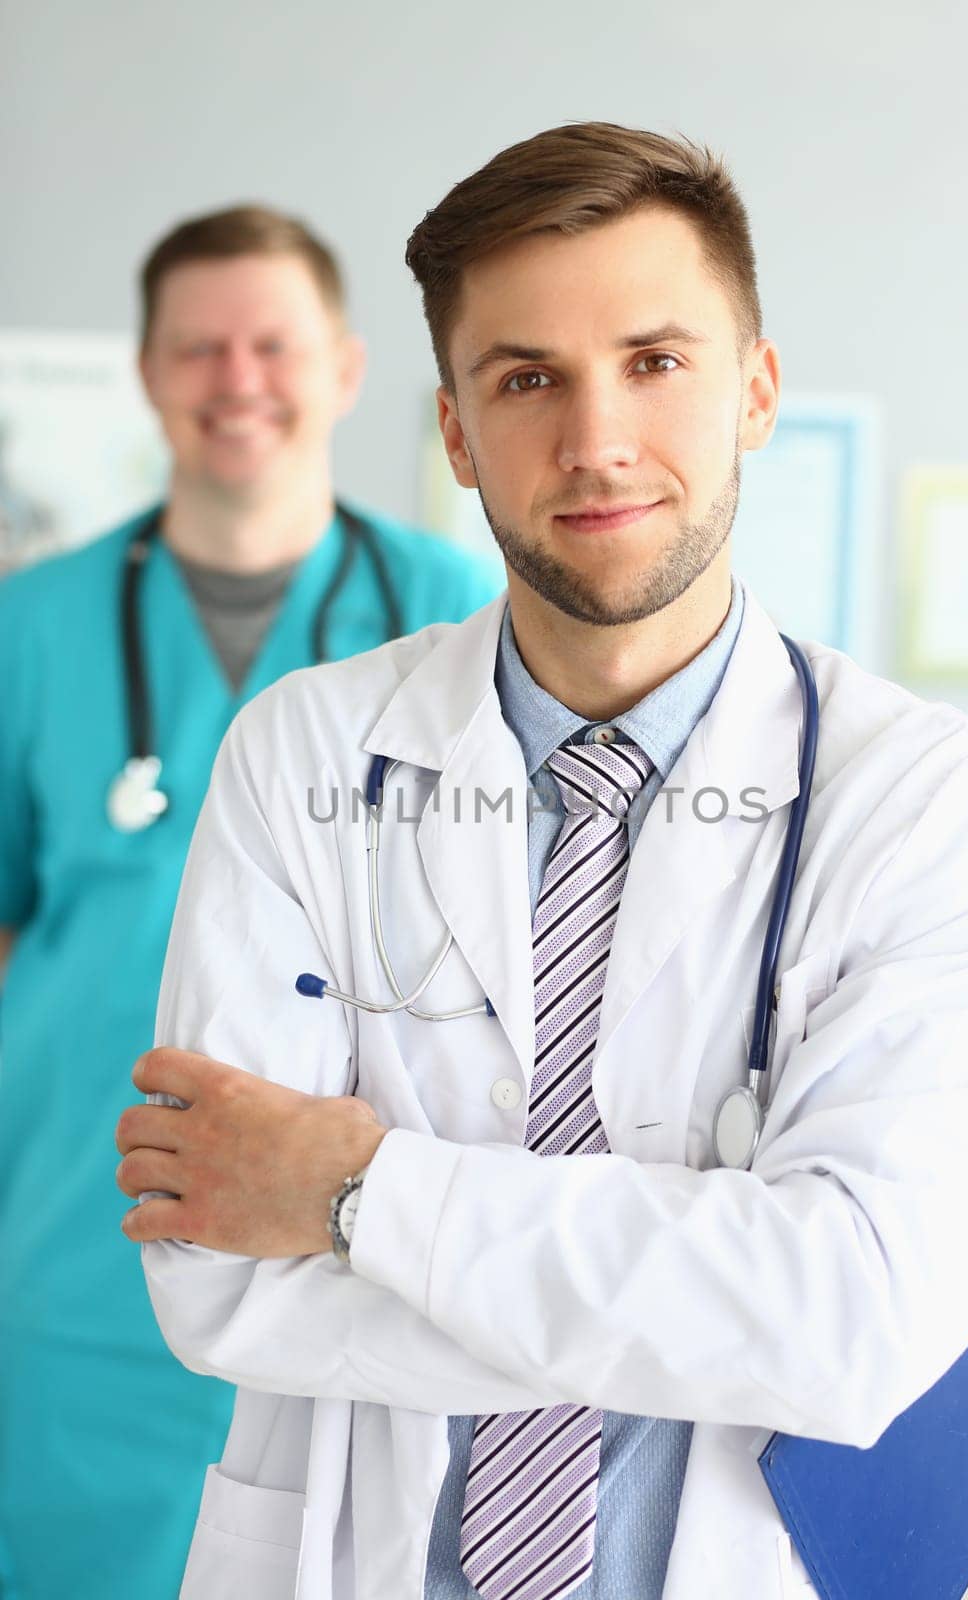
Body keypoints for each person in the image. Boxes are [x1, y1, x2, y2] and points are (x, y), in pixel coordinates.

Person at [116, 127, 968, 1600]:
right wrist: (702, 1292)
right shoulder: (300, 758)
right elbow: (222, 1280)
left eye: (656, 361)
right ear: (454, 432)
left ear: (755, 389)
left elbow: (859, 1321)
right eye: (528, 378)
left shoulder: (927, 805)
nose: (596, 439)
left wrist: (357, 1192)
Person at [0, 204, 500, 1600]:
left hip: (348, 1262)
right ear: (151, 371)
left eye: (272, 343)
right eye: (199, 347)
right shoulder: (28, 628)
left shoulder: (459, 614)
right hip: (69, 1257)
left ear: (342, 369)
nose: (238, 379)